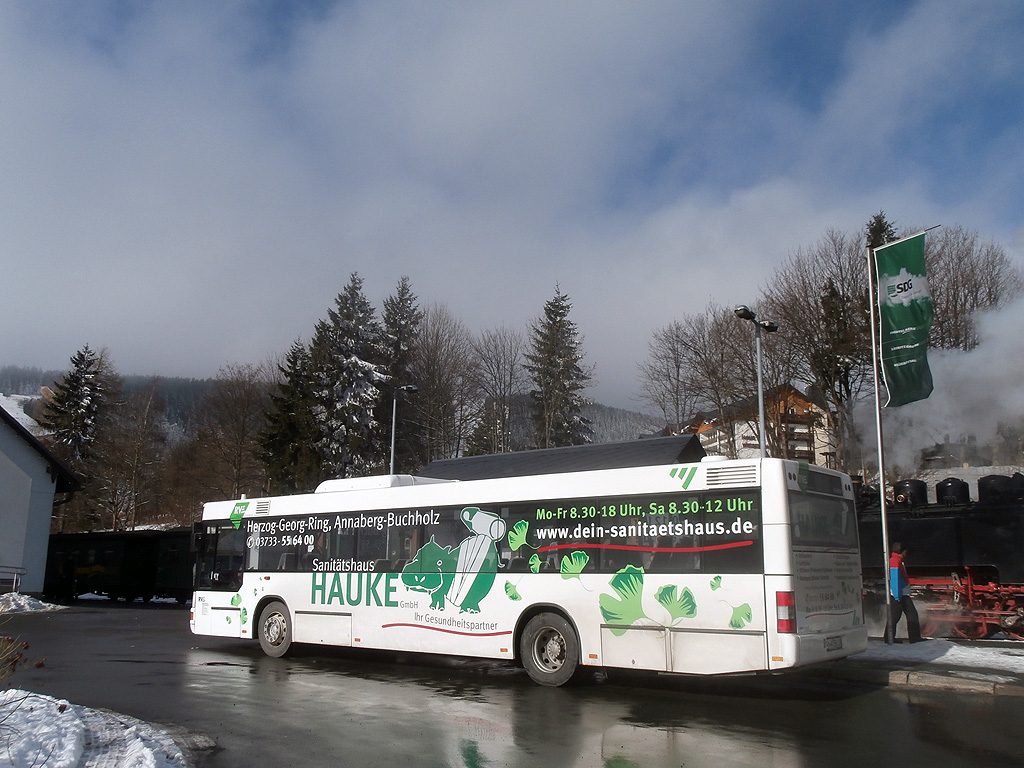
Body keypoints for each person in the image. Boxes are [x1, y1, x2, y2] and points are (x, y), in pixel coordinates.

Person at [889, 543, 922, 643]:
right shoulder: (895, 561)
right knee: (910, 615)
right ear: (902, 551)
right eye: (905, 551)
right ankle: (914, 638)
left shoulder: (897, 560)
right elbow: (895, 580)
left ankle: (889, 638)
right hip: (900, 595)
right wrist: (897, 596)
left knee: (895, 617)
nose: (907, 553)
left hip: (900, 594)